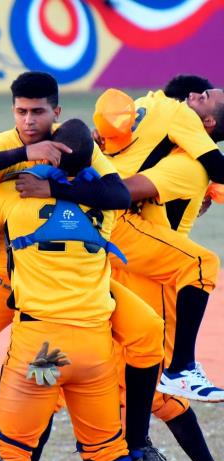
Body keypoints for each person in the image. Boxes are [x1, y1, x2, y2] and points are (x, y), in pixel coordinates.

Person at [0, 71, 166, 461]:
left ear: (56, 111)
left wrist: (56, 192)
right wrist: (24, 151)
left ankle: (138, 443)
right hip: (5, 278)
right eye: (22, 111)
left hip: (74, 279)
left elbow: (118, 195)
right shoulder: (6, 144)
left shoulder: (74, 143)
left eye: (38, 112)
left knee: (148, 331)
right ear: (13, 112)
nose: (29, 119)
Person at [90, 84, 224, 401]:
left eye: (205, 98)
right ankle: (181, 369)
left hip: (111, 221)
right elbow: (218, 166)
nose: (196, 94)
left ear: (209, 125)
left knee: (126, 348)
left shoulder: (147, 103)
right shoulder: (182, 123)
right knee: (201, 264)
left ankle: (134, 440)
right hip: (112, 216)